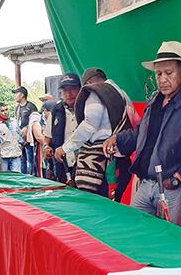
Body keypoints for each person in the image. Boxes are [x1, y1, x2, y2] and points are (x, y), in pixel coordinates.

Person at [106, 41, 181, 225]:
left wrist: (177, 177)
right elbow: (141, 134)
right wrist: (118, 139)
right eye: (158, 74)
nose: (162, 79)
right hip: (146, 184)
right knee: (134, 231)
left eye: (169, 73)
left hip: (172, 188)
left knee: (169, 242)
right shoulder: (154, 101)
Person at [57, 67, 137, 197]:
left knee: (95, 206)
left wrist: (65, 148)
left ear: (88, 84)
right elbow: (135, 121)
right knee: (115, 203)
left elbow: (89, 125)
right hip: (119, 157)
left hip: (100, 161)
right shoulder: (121, 93)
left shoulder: (95, 93)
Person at [43, 73, 82, 184]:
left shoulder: (88, 109)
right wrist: (46, 147)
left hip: (86, 167)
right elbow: (47, 138)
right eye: (65, 90)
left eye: (73, 89)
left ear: (80, 89)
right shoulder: (56, 111)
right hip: (63, 167)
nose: (69, 94)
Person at [13, 86, 39, 175]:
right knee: (22, 161)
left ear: (22, 95)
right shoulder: (17, 108)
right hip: (20, 139)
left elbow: (37, 121)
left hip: (30, 139)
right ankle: (23, 178)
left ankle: (33, 177)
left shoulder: (31, 106)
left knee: (31, 161)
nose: (15, 96)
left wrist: (27, 128)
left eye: (17, 93)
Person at [0, 102, 23, 172]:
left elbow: (19, 135)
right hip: (4, 155)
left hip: (16, 154)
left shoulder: (14, 121)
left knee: (16, 176)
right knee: (4, 177)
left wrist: (20, 146)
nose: (5, 112)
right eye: (2, 111)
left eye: (6, 110)